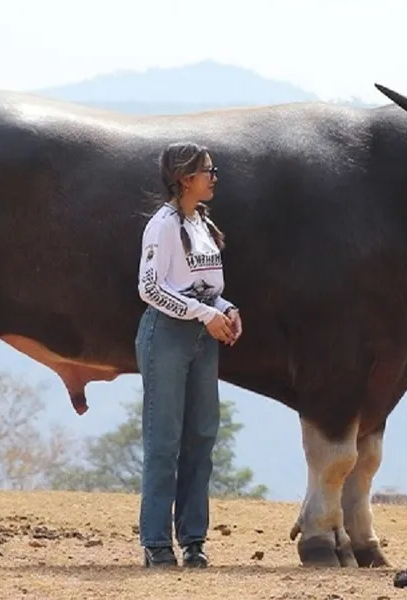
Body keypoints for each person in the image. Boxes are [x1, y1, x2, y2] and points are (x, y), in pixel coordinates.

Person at [135, 141, 242, 568]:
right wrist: (203, 313)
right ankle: (156, 542)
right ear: (185, 178)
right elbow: (150, 287)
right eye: (207, 171)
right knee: (164, 441)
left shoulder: (200, 223)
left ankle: (194, 539)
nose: (214, 177)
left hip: (201, 337)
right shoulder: (163, 225)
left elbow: (202, 285)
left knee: (201, 437)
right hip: (167, 337)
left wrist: (225, 309)